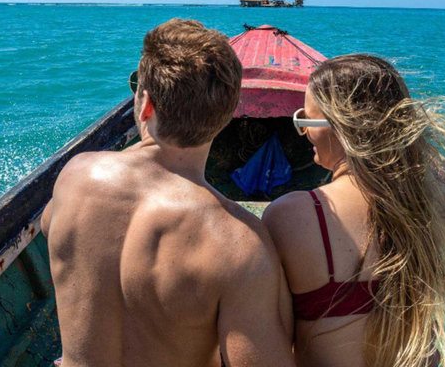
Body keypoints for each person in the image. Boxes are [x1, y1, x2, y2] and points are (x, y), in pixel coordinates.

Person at [42, 19, 295, 367]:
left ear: (145, 104)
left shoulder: (76, 177)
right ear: (227, 116)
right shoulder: (238, 244)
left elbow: (49, 226)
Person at [262, 54, 445, 367]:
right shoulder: (423, 196)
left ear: (338, 127)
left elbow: (271, 336)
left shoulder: (290, 216)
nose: (303, 133)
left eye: (305, 121)